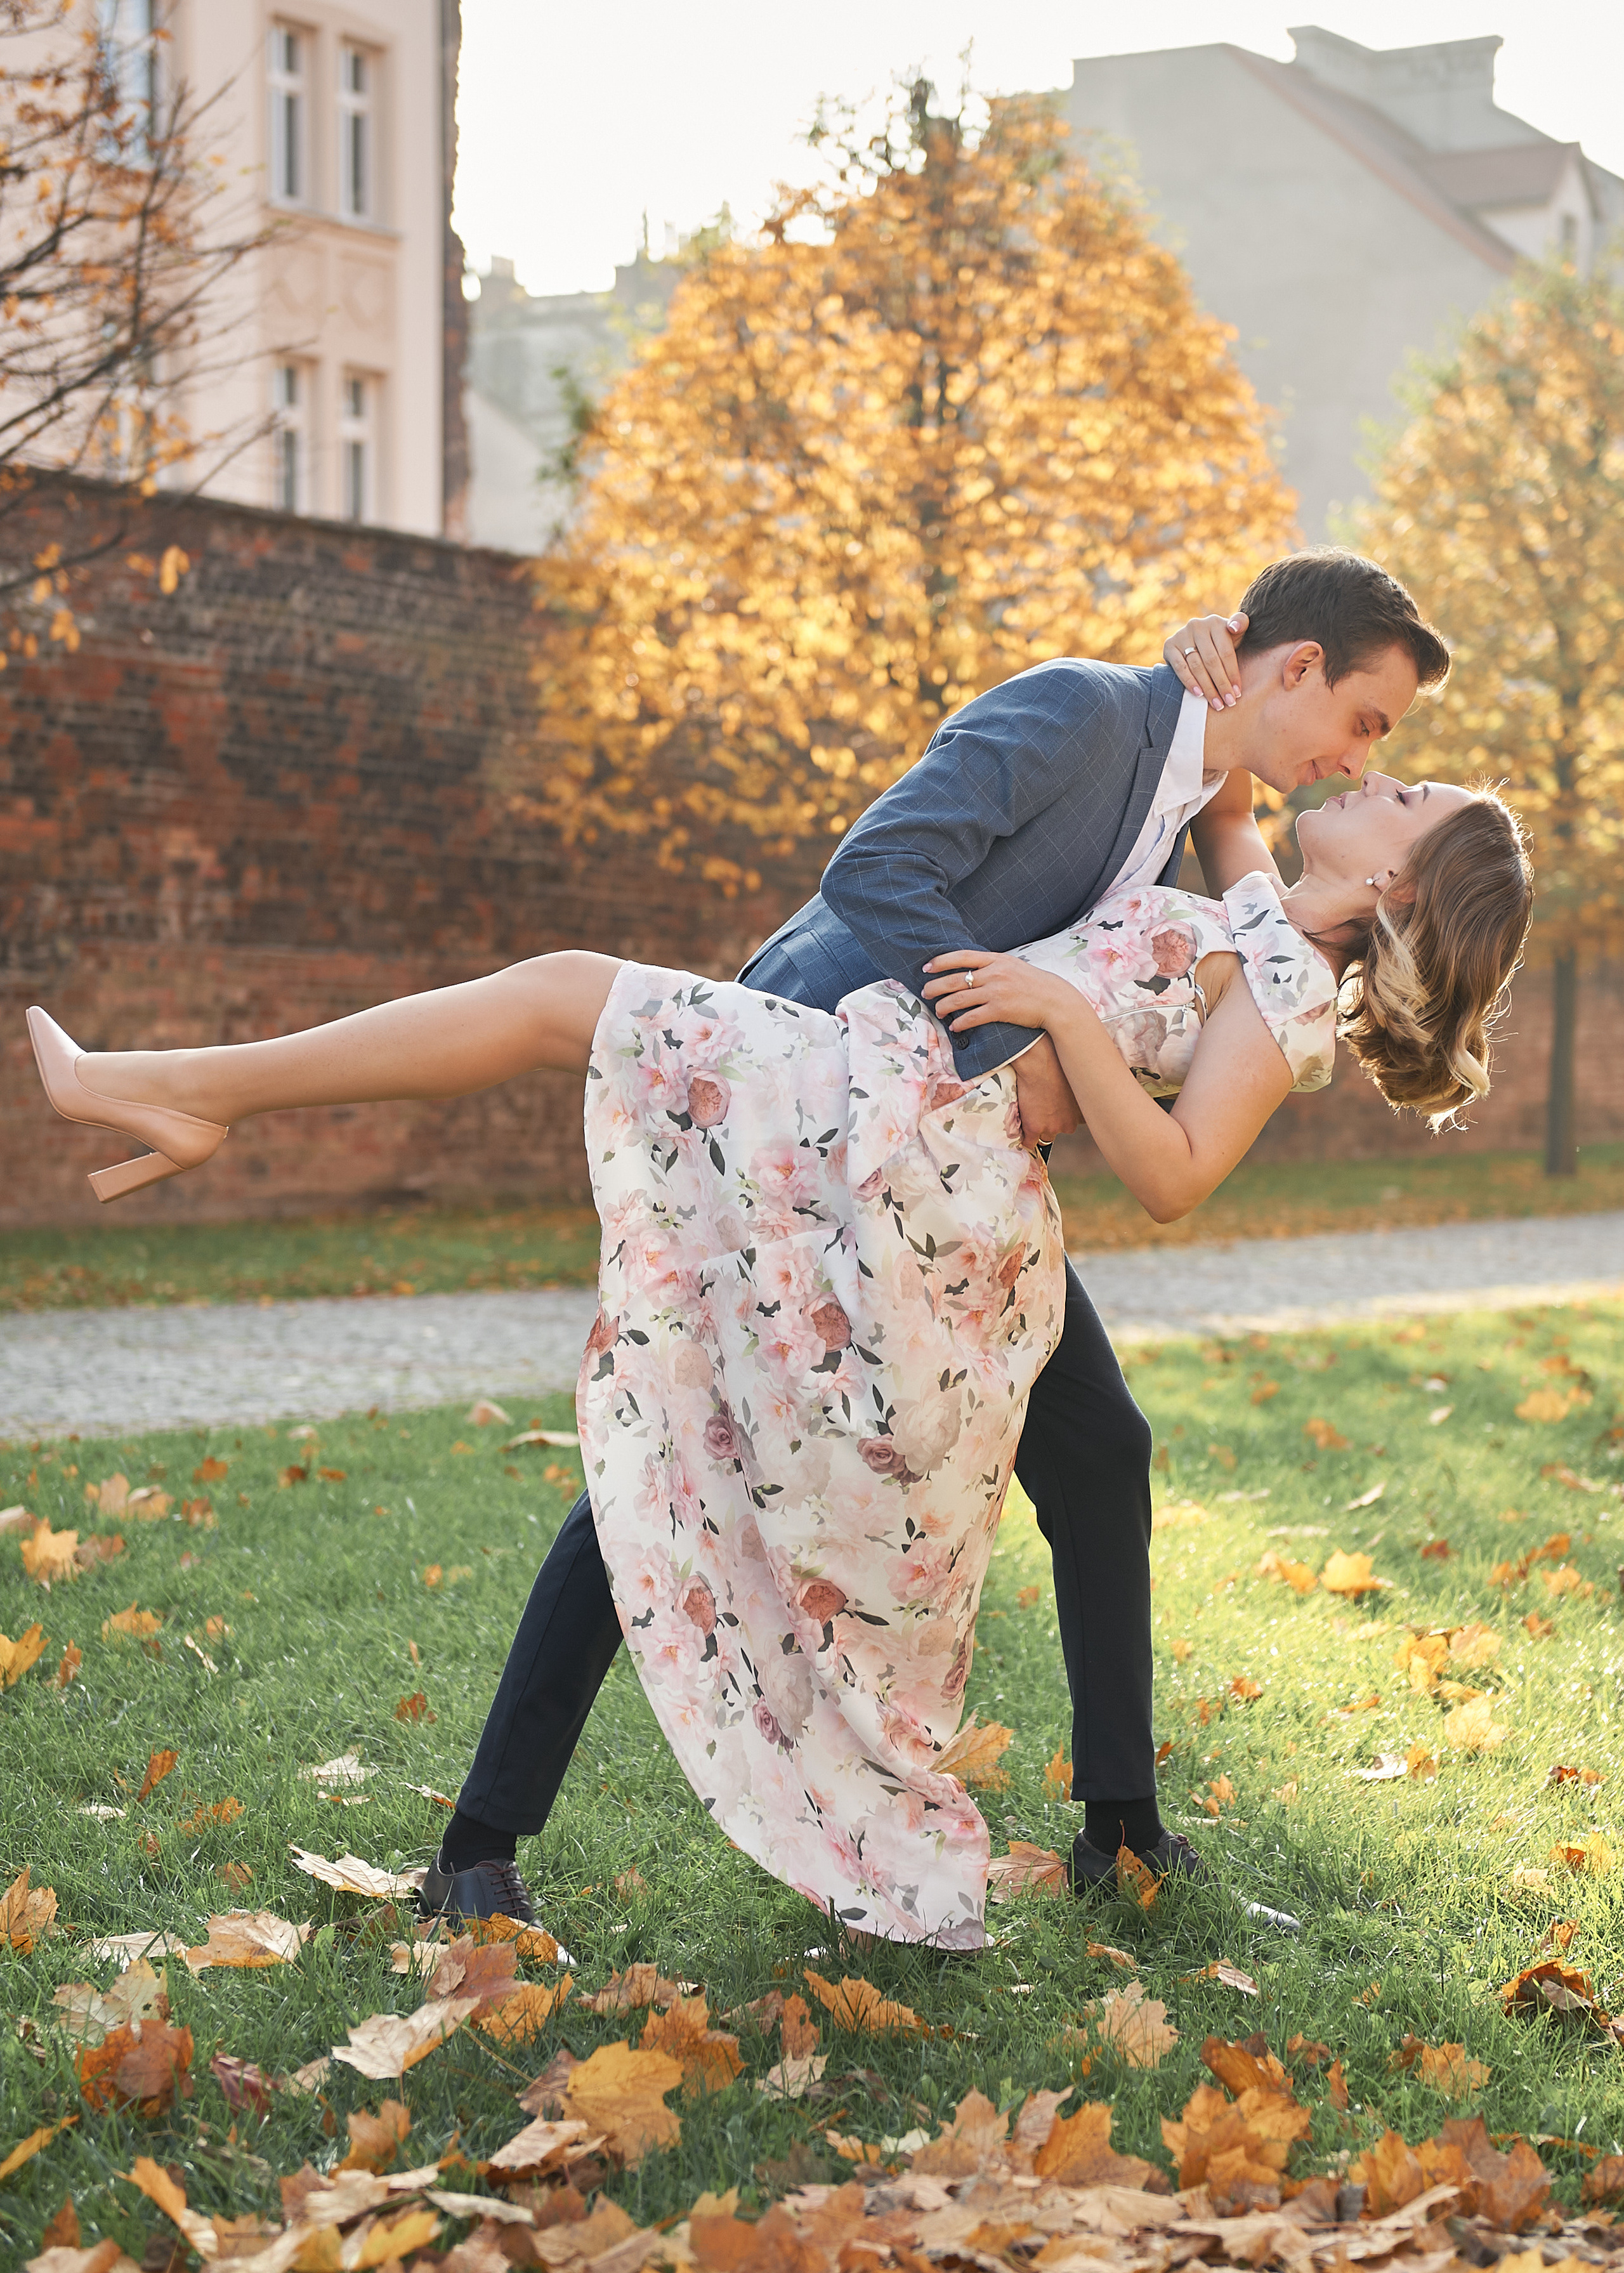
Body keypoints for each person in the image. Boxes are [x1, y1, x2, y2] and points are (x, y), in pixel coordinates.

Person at [23, 551, 1531, 1941]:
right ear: (1287, 668)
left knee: (1020, 1444)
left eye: (1391, 769)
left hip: (939, 1170)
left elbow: (1187, 1078)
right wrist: (1197, 662)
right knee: (673, 1387)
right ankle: (192, 1094)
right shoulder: (1143, 760)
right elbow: (1082, 836)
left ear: (1392, 881)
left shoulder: (1258, 920)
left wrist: (1049, 1023)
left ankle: (1117, 1830)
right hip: (857, 1102)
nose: (1365, 760)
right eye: (1368, 725)